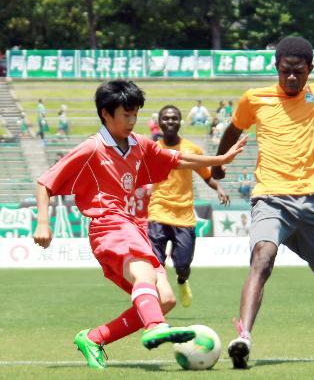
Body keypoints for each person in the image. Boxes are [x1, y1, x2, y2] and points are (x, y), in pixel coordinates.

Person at [211, 0, 314, 368]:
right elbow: (232, 128)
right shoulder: (255, 99)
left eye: (298, 72)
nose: (290, 77)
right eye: (285, 70)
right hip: (269, 199)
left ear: (310, 68)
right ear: (276, 65)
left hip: (312, 205)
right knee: (262, 258)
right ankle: (244, 336)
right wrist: (219, 165)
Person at [32, 79, 246, 369]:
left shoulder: (138, 144)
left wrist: (220, 158)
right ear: (106, 114)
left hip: (132, 226)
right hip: (107, 224)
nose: (132, 121)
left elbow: (177, 159)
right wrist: (43, 223)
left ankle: (95, 338)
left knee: (166, 298)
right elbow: (45, 183)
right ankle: (155, 326)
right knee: (145, 276)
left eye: (135, 114)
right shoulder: (91, 148)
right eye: (126, 115)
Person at [147, 105, 230, 308]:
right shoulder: (152, 149)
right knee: (156, 264)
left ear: (180, 121)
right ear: (159, 122)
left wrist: (218, 187)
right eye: (165, 118)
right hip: (157, 211)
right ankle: (158, 302)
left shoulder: (191, 150)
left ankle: (182, 281)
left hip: (183, 215)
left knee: (183, 265)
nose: (170, 122)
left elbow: (206, 175)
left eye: (174, 118)